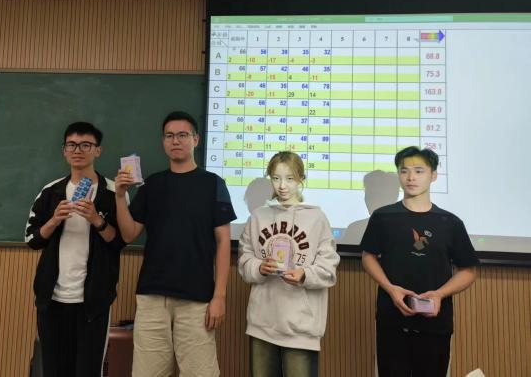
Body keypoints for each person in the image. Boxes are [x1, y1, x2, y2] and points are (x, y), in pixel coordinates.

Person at [114, 111, 236, 377]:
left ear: (196, 139)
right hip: (152, 295)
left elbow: (223, 242)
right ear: (163, 141)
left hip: (197, 298)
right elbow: (129, 234)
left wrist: (219, 296)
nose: (175, 141)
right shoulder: (152, 185)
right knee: (147, 373)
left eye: (182, 135)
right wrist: (120, 196)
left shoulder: (213, 184)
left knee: (200, 373)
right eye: (169, 136)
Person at [360, 146, 479, 377]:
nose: (411, 177)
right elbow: (368, 256)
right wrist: (390, 288)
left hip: (436, 323)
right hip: (391, 319)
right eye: (404, 171)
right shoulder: (383, 217)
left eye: (418, 171)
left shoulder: (450, 222)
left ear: (433, 175)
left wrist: (439, 294)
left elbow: (468, 270)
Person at [25, 122, 126, 377]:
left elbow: (120, 241)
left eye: (85, 145)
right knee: (53, 370)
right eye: (71, 145)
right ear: (64, 151)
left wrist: (96, 220)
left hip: (93, 302)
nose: (77, 150)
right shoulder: (51, 192)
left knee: (87, 371)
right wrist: (53, 220)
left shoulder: (113, 192)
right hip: (51, 300)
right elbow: (32, 240)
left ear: (98, 150)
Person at [238, 151, 340, 377]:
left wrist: (305, 274)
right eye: (276, 178)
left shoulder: (317, 218)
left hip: (301, 328)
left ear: (301, 179)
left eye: (290, 178)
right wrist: (259, 268)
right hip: (262, 324)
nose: (282, 186)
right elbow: (245, 260)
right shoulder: (258, 217)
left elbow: (328, 266)